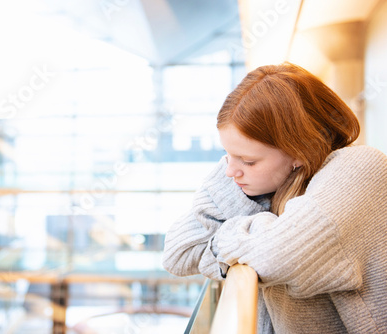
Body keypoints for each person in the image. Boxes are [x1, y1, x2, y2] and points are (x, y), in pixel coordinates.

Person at [162, 62, 387, 334]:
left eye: (248, 160)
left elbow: (275, 258)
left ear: (299, 151)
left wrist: (225, 235)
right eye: (226, 154)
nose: (230, 171)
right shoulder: (272, 185)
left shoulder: (360, 168)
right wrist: (255, 224)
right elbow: (177, 253)